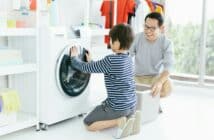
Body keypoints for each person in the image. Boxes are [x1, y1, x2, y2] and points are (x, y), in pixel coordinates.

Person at [70, 24, 141, 138]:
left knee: (88, 123)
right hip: (131, 104)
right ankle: (129, 118)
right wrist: (91, 61)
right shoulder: (129, 58)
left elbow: (88, 68)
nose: (110, 42)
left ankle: (119, 121)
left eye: (111, 39)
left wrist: (74, 59)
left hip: (117, 108)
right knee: (102, 106)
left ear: (117, 42)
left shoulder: (111, 60)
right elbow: (98, 67)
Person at [129, 12, 174, 101]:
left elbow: (168, 68)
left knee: (168, 86)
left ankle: (150, 102)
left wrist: (159, 82)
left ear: (161, 28)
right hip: (136, 77)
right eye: (146, 27)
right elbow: (127, 56)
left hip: (154, 78)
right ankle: (143, 102)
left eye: (153, 28)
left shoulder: (167, 43)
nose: (148, 31)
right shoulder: (137, 37)